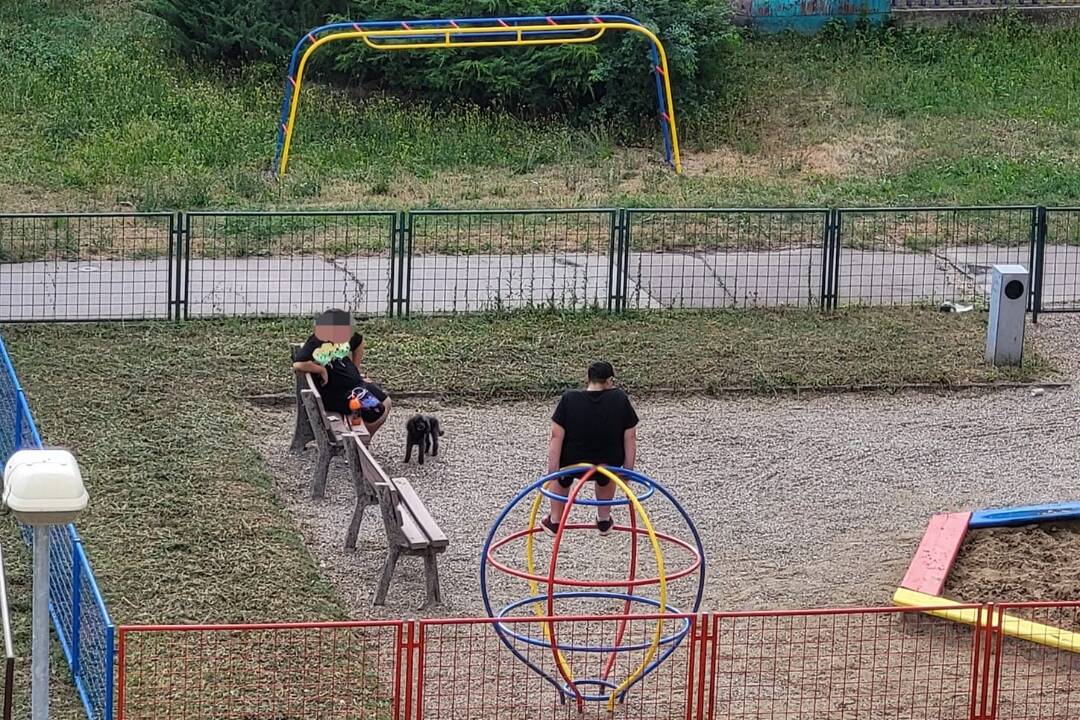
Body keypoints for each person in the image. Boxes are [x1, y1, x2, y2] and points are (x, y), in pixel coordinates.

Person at [542, 361, 639, 537]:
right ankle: (603, 519)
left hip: (573, 464)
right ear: (610, 380)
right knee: (606, 473)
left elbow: (556, 437)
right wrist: (627, 472)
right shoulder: (619, 399)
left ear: (588, 379)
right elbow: (630, 437)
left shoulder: (569, 399)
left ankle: (555, 521)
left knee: (563, 476)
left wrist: (552, 473)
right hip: (607, 463)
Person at [292, 308, 391, 435]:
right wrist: (320, 369)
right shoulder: (316, 342)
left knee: (386, 401)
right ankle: (360, 443)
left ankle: (362, 443)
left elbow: (359, 342)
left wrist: (356, 369)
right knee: (378, 413)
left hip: (355, 385)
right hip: (339, 393)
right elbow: (298, 364)